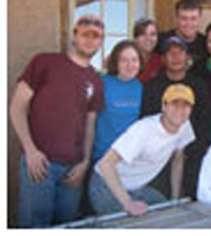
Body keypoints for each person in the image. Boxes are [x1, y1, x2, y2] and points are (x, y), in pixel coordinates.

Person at [9, 14, 105, 227]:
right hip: (41, 165)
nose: (90, 40)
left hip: (73, 170)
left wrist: (85, 161)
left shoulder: (96, 80)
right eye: (85, 34)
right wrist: (30, 150)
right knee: (35, 226)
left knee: (67, 225)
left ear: (101, 41)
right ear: (73, 36)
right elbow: (17, 107)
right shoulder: (45, 62)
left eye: (96, 36)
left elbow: (90, 125)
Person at [89, 84, 196, 216]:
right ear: (164, 106)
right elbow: (105, 164)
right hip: (105, 185)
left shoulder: (184, 125)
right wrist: (128, 204)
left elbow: (178, 158)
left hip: (136, 188)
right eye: (174, 104)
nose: (180, 110)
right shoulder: (144, 129)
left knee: (167, 213)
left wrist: (175, 198)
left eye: (185, 105)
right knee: (134, 224)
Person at [141, 36, 211, 199]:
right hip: (159, 160)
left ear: (187, 57)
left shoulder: (200, 86)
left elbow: (204, 124)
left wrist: (189, 151)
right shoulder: (152, 87)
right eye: (170, 53)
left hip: (191, 157)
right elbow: (147, 123)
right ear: (163, 58)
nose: (175, 58)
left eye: (180, 53)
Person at [92, 40, 143, 163]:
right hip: (102, 158)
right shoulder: (101, 83)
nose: (130, 65)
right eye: (124, 60)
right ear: (116, 62)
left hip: (129, 160)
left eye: (134, 60)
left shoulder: (141, 88)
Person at [157, 0, 208, 71]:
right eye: (184, 18)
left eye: (193, 19)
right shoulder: (161, 40)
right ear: (176, 19)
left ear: (199, 19)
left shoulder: (207, 44)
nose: (188, 24)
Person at [133, 18, 164, 83]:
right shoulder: (127, 59)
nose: (148, 38)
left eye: (152, 34)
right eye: (143, 34)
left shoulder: (161, 61)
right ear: (135, 38)